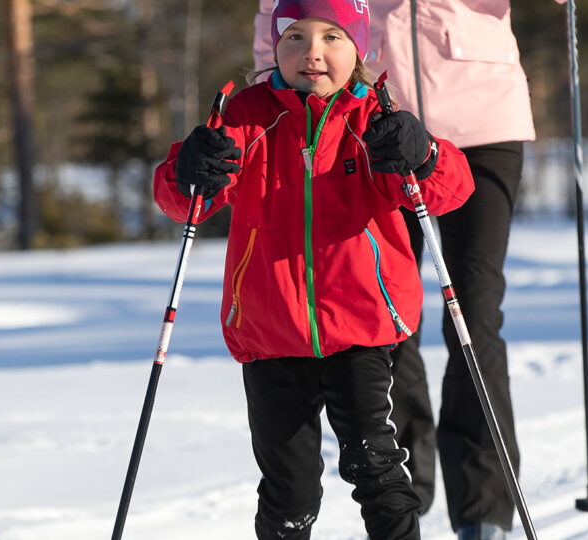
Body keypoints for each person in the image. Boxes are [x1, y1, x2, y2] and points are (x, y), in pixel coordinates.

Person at [151, 0, 476, 537]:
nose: (313, 53)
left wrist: (424, 156)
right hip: (269, 329)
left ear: (359, 47)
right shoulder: (247, 116)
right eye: (295, 36)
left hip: (361, 327)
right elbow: (186, 200)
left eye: (332, 37)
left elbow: (448, 189)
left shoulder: (377, 118)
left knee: (377, 468)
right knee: (289, 489)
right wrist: (188, 170)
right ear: (275, 44)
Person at [256, 1, 541, 538]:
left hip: (480, 116)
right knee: (382, 314)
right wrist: (279, 91)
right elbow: (281, 11)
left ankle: (484, 512)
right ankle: (405, 493)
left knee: (473, 314)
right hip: (365, 120)